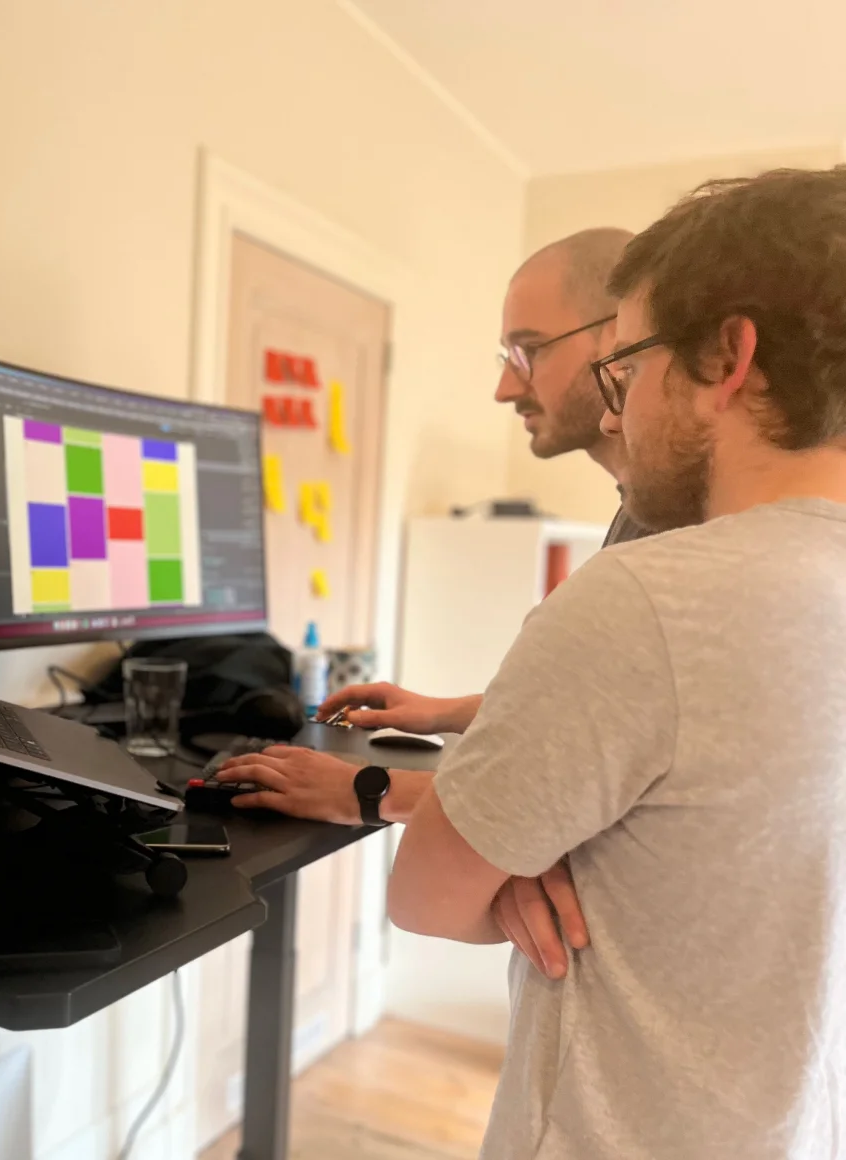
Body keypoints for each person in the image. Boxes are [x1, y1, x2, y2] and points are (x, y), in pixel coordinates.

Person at [389, 165, 846, 1159]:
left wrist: (509, 867)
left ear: (728, 355)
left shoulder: (643, 597)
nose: (618, 405)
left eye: (630, 365)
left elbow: (423, 895)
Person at [218, 228, 639, 979]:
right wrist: (447, 713)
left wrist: (369, 789)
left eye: (527, 351)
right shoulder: (641, 514)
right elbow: (612, 714)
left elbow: (570, 782)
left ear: (621, 336)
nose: (507, 388)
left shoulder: (670, 548)